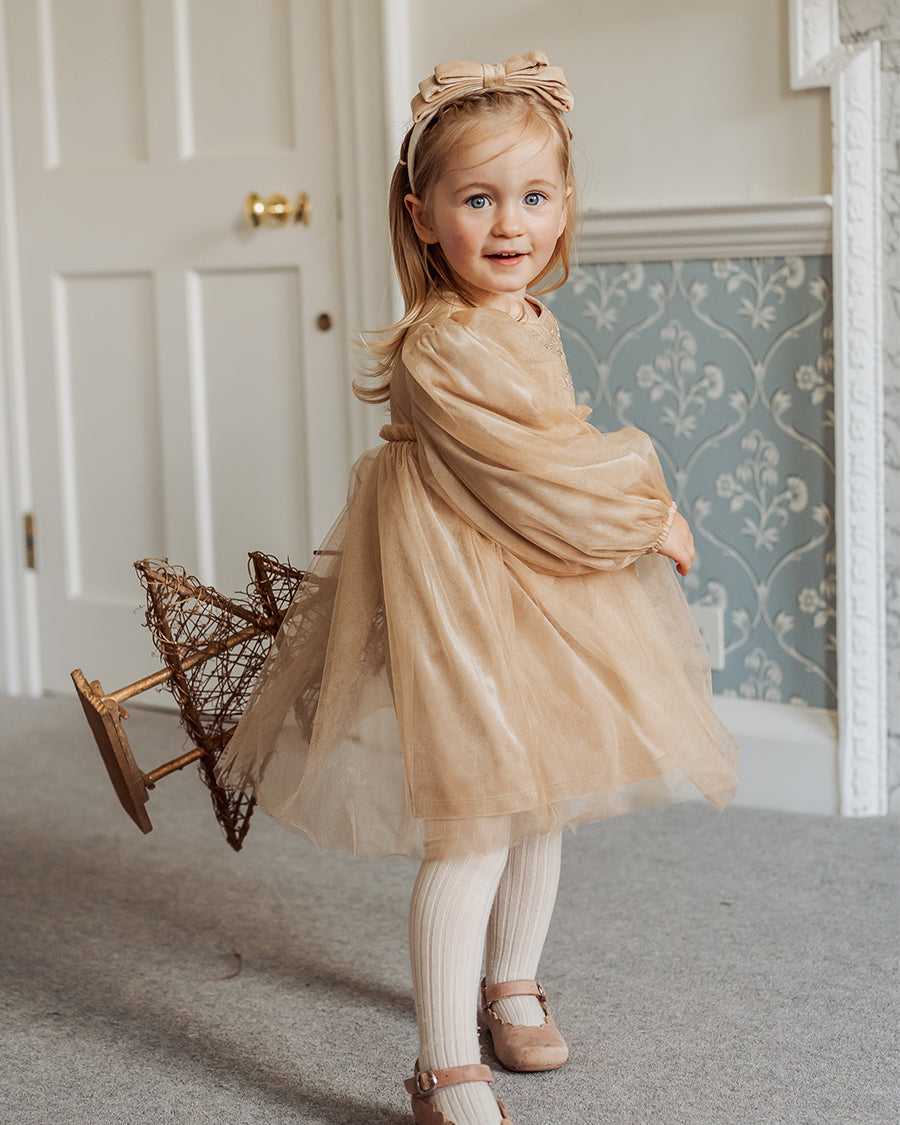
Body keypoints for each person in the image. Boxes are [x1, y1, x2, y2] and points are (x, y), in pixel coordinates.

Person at [217, 51, 740, 1125]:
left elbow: (548, 454)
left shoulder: (525, 319)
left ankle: (511, 984)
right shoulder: (444, 344)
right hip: (459, 595)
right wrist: (648, 514)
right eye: (478, 200)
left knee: (545, 789)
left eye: (535, 197)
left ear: (566, 205)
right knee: (475, 820)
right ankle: (444, 1065)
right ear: (422, 217)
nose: (511, 225)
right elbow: (538, 468)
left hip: (537, 584)